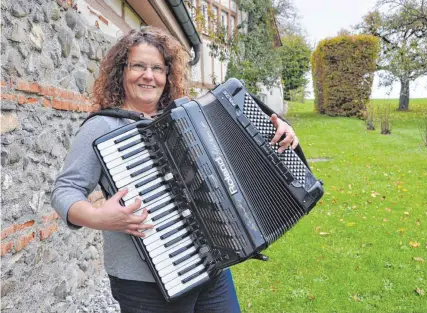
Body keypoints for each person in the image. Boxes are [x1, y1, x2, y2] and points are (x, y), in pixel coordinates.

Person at [51, 26, 299, 313]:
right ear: (122, 71)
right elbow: (65, 190)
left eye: (157, 68)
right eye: (138, 66)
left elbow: (240, 150)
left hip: (212, 266)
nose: (149, 75)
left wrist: (276, 131)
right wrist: (97, 217)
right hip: (144, 284)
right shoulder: (102, 126)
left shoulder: (188, 120)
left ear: (167, 76)